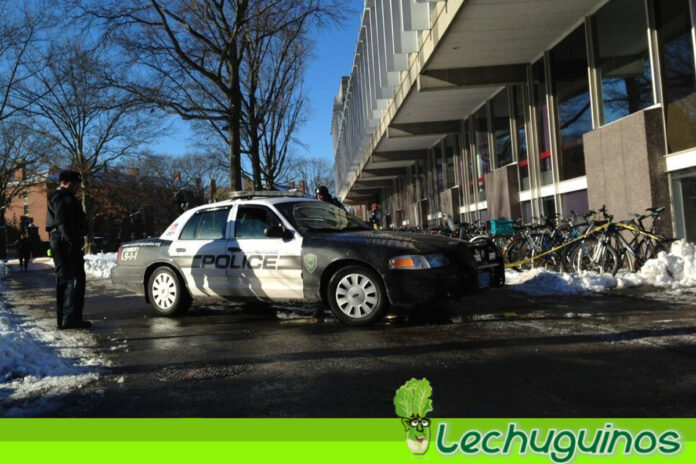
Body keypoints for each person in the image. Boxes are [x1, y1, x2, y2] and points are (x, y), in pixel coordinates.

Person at [46, 170, 90, 330]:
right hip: (65, 242)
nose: (78, 187)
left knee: (74, 278)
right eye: (76, 184)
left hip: (65, 240)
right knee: (69, 279)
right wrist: (72, 243)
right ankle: (68, 318)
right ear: (68, 182)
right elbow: (62, 221)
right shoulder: (62, 196)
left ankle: (71, 317)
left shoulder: (65, 196)